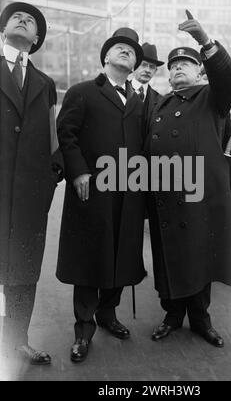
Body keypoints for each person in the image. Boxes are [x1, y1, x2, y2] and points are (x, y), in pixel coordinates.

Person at [144, 11, 231, 347]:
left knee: (200, 259)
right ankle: (172, 316)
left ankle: (201, 320)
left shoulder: (211, 97)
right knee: (169, 259)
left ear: (199, 69)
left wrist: (205, 42)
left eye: (185, 64)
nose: (177, 69)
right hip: (165, 199)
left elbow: (230, 79)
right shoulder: (160, 105)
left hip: (199, 198)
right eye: (173, 66)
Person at [56, 28, 147, 363]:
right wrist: (78, 171)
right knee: (89, 257)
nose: (126, 53)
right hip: (92, 190)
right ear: (106, 57)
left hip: (129, 192)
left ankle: (108, 315)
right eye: (119, 48)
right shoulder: (83, 92)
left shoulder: (138, 100)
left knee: (121, 253)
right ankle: (83, 329)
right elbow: (66, 133)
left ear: (136, 64)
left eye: (131, 51)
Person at [0, 2, 62, 365]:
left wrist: (47, 185)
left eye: (31, 21)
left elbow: (53, 142)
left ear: (36, 38)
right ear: (3, 29)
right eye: (16, 18)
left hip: (28, 198)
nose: (23, 21)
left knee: (22, 272)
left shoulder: (45, 83)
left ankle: (16, 342)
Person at [132, 42, 164, 128]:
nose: (148, 70)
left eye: (152, 67)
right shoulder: (120, 90)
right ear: (135, 65)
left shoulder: (160, 100)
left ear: (155, 71)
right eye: (144, 65)